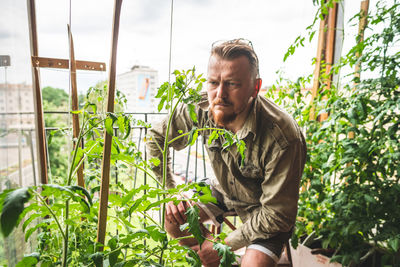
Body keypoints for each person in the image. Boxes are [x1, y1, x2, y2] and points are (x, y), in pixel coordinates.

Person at [146, 38, 307, 267]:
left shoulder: (282, 135)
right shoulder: (201, 107)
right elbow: (156, 138)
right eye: (213, 82)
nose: (219, 94)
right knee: (174, 220)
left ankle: (228, 256)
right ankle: (223, 260)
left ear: (255, 87)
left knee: (254, 265)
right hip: (223, 189)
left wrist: (224, 245)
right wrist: (172, 191)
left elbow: (276, 213)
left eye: (232, 84)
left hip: (264, 211)